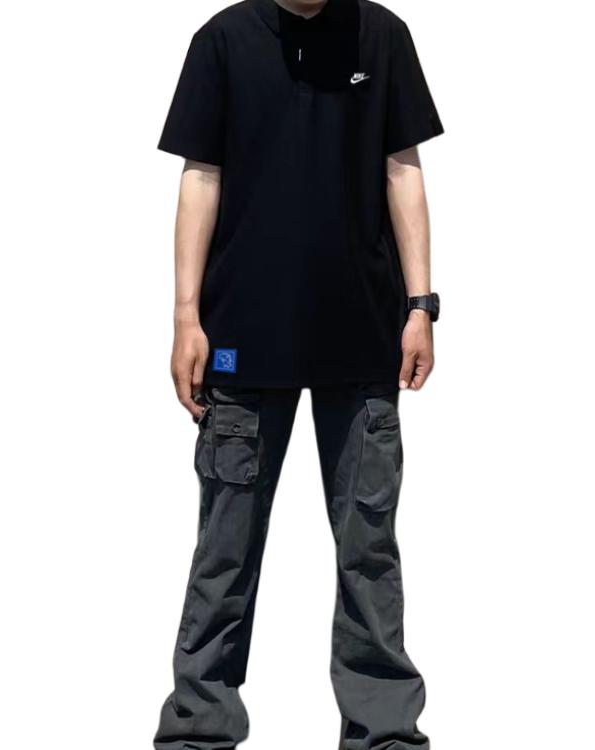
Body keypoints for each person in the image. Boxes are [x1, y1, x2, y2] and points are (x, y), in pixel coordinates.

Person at [153, 1, 443, 748]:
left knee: (368, 552)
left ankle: (384, 732)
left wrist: (421, 305)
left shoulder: (383, 36)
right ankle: (198, 730)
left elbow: (402, 169)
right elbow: (201, 176)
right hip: (242, 337)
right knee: (225, 551)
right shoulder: (222, 42)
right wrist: (185, 315)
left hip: (364, 337)